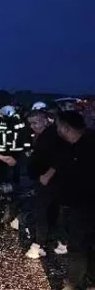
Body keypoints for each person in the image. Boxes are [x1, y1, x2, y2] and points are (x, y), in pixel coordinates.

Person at [54, 111, 95, 290]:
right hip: (80, 203)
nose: (57, 130)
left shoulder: (83, 148)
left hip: (83, 206)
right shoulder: (81, 143)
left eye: (58, 126)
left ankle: (73, 283)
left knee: (78, 247)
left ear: (66, 128)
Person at [24, 109, 68, 259]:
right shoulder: (43, 134)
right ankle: (62, 241)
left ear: (44, 120)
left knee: (41, 212)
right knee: (53, 212)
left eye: (36, 122)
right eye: (31, 123)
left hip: (48, 180)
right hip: (46, 179)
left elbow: (60, 158)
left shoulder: (52, 136)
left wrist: (47, 175)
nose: (33, 126)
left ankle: (38, 245)